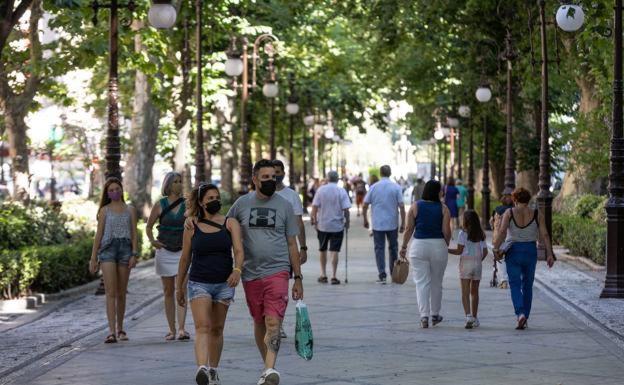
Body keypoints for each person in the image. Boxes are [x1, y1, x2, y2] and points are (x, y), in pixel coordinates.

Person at [227, 159, 304, 385]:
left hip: (278, 271)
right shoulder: (241, 204)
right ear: (254, 179)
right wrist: (194, 221)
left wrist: (297, 277)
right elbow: (224, 226)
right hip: (250, 273)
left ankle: (271, 368)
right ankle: (267, 369)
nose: (271, 181)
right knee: (259, 321)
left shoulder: (284, 205)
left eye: (274, 177)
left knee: (273, 323)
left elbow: (292, 244)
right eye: (266, 178)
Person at [177, 183, 244, 385]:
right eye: (210, 198)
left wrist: (237, 270)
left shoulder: (230, 223)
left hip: (224, 284)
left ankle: (213, 369)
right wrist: (178, 286)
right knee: (203, 326)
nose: (215, 201)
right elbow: (185, 258)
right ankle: (202, 369)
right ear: (201, 202)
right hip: (199, 282)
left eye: (216, 197)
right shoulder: (191, 225)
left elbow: (239, 251)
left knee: (217, 329)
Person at [492, 187, 556, 330]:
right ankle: (525, 316)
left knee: (514, 284)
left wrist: (495, 248)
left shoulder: (509, 212)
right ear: (528, 200)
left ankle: (520, 313)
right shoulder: (536, 214)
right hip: (530, 251)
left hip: (513, 251)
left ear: (514, 199)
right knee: (527, 285)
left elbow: (502, 232)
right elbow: (545, 234)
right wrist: (550, 254)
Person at [89, 177, 138, 343]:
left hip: (125, 250)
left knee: (121, 292)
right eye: (111, 190)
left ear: (122, 190)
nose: (115, 192)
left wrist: (134, 253)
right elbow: (99, 235)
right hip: (108, 250)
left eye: (117, 189)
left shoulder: (130, 210)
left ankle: (121, 328)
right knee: (110, 292)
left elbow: (134, 233)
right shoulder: (104, 211)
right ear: (107, 193)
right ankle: (111, 331)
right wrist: (93, 258)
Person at [400, 180, 451, 328]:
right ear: (437, 192)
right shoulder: (444, 208)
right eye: (441, 190)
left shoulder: (415, 206)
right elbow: (446, 231)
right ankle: (435, 314)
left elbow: (409, 228)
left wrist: (403, 246)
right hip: (438, 246)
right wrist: (445, 243)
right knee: (437, 282)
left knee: (421, 283)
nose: (442, 192)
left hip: (418, 247)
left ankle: (424, 316)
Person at [146, 172, 189, 341]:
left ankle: (182, 329)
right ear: (168, 185)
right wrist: (152, 241)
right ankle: (171, 329)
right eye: (176, 182)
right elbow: (149, 227)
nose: (179, 184)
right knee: (168, 291)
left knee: (182, 289)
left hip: (182, 252)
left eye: (180, 181)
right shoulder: (160, 204)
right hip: (164, 251)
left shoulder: (187, 204)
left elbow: (193, 224)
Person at [273, 159, 308, 339]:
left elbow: (299, 224)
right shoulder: (258, 196)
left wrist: (303, 247)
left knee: (280, 289)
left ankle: (277, 324)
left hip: (286, 250)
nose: (276, 176)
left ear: (284, 173)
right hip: (263, 252)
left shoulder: (292, 196)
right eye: (273, 172)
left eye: (279, 172)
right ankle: (268, 322)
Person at [363, 166, 406, 284]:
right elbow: (401, 206)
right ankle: (393, 272)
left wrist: (365, 220)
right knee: (393, 248)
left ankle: (382, 274)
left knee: (379, 248)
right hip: (392, 223)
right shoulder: (396, 187)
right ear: (390, 173)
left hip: (377, 224)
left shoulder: (373, 187)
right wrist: (403, 222)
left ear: (380, 173)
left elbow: (365, 204)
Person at [448, 210, 488, 329]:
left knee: (465, 292)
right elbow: (485, 252)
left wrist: (447, 250)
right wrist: (478, 261)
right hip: (477, 264)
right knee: (474, 292)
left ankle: (468, 316)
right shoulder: (481, 234)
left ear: (465, 221)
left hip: (465, 263)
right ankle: (475, 318)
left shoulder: (462, 234)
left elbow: (459, 251)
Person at [311, 171, 351, 285]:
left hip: (323, 225)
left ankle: (323, 274)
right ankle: (334, 276)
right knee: (334, 251)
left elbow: (314, 206)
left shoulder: (321, 190)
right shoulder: (341, 191)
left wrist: (314, 220)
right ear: (337, 179)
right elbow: (346, 209)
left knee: (322, 249)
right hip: (337, 226)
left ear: (327, 179)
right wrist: (347, 222)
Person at [490, 193, 514, 289]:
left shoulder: (497, 210)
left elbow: (491, 222)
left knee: (500, 259)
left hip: (498, 238)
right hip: (510, 237)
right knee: (511, 258)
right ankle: (513, 279)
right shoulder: (513, 211)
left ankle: (503, 280)